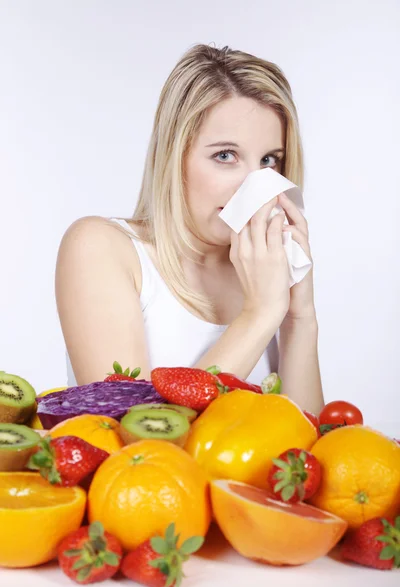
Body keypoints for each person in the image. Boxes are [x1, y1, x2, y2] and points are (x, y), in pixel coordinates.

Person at [55, 43, 324, 413]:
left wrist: (299, 317)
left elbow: (311, 444)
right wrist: (260, 313)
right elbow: (134, 442)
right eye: (225, 156)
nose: (254, 185)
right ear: (174, 157)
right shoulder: (102, 249)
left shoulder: (268, 272)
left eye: (268, 161)